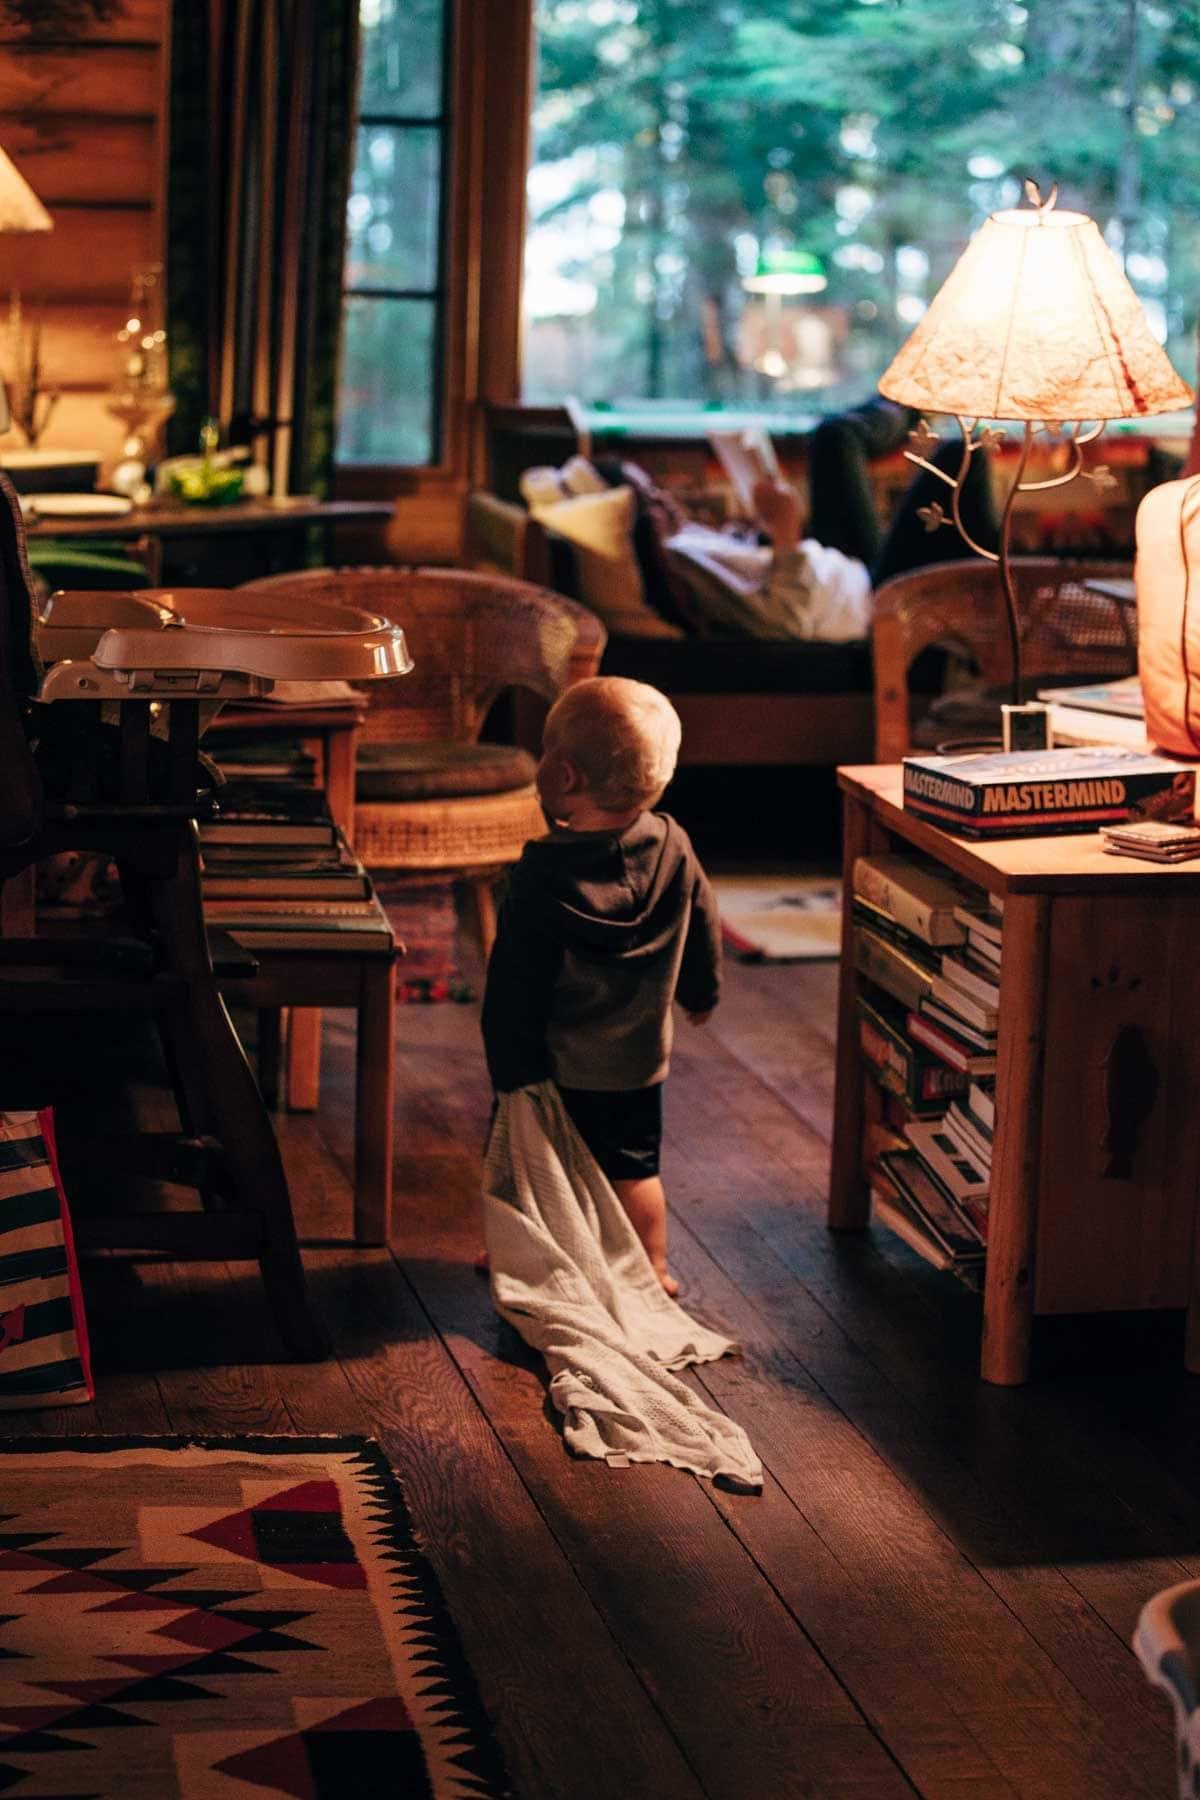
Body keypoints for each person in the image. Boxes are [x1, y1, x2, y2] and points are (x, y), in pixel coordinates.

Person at [480, 675, 720, 1296]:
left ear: (563, 776)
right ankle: (653, 1268)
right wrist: (701, 991)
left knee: (532, 1163)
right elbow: (702, 922)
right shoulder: (675, 846)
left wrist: (510, 1068)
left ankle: (523, 1251)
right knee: (633, 1169)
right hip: (638, 1063)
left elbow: (514, 984)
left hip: (554, 1065)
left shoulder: (539, 877)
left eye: (543, 752)